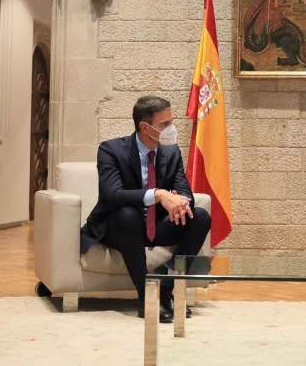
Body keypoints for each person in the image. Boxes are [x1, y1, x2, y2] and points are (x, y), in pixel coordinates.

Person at [80, 95, 211, 323]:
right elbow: (112, 195)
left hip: (155, 225)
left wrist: (178, 203)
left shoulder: (171, 152)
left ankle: (165, 290)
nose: (172, 129)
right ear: (145, 127)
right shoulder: (111, 150)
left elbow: (185, 193)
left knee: (199, 216)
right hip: (119, 228)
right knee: (128, 214)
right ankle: (146, 298)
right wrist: (158, 194)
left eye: (171, 122)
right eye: (165, 124)